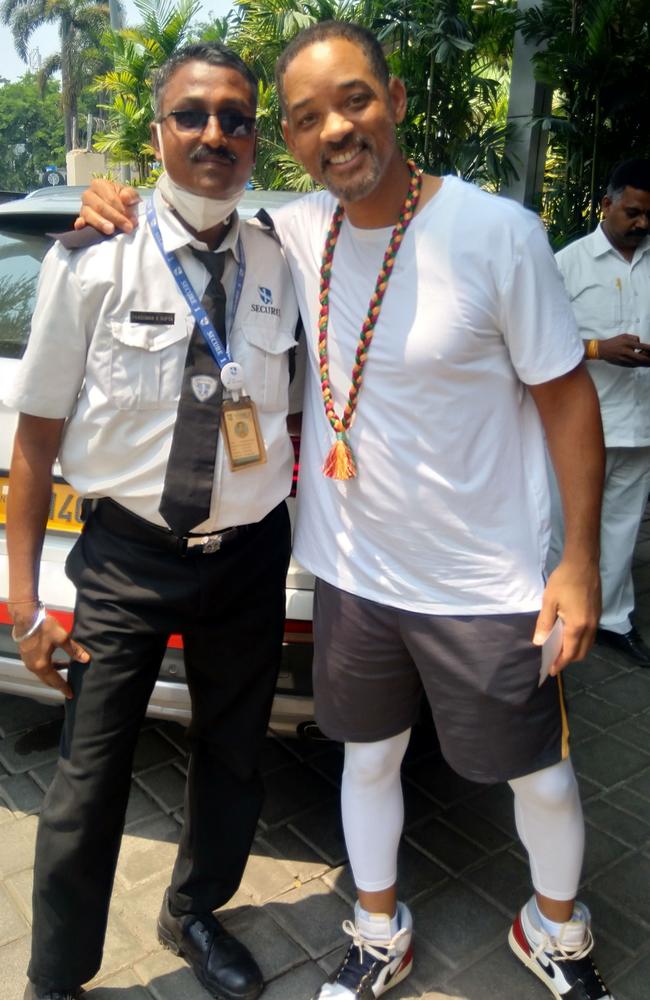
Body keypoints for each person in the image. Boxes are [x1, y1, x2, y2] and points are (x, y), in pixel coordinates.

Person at [78, 20, 615, 1000]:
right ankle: (376, 929)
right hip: (353, 577)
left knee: (536, 773)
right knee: (364, 764)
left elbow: (567, 400)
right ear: (288, 141)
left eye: (354, 99)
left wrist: (577, 563)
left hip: (486, 580)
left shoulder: (497, 234)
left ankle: (554, 930)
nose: (335, 129)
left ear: (396, 99)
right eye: (307, 117)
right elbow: (185, 203)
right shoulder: (291, 233)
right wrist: (109, 194)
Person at [6, 42, 299, 1000]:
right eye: (193, 115)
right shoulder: (92, 261)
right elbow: (36, 442)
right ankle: (57, 976)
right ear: (159, 132)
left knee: (233, 759)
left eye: (236, 118)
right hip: (128, 563)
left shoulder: (278, 258)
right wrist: (21, 603)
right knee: (87, 785)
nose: (216, 133)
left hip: (253, 558)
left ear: (257, 138)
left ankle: (195, 912)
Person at [549, 158, 650, 668]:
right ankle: (552, 616)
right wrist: (597, 348)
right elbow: (541, 341)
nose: (642, 224)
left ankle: (611, 619)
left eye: (649, 215)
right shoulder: (568, 263)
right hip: (580, 424)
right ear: (606, 204)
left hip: (639, 420)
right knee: (564, 524)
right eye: (632, 212)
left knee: (622, 525)